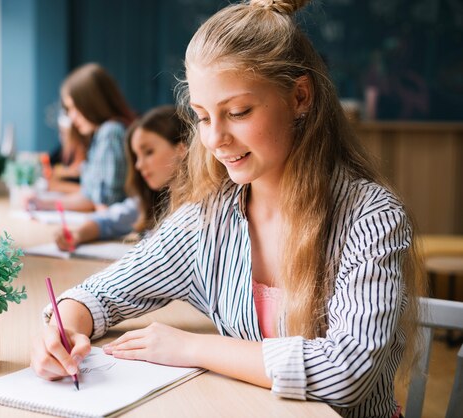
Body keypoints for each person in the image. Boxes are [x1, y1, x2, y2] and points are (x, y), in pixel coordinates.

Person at [30, 2, 425, 417]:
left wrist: (194, 347)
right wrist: (60, 329)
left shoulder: (370, 217)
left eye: (237, 112)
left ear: (300, 97)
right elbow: (101, 294)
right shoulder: (209, 220)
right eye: (202, 117)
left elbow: (348, 373)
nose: (215, 138)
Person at [54, 105, 188, 251]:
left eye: (149, 152)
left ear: (181, 149)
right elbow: (111, 220)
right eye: (136, 156)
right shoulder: (154, 200)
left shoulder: (197, 210)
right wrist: (77, 233)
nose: (138, 165)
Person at [27, 63, 135, 211]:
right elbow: (90, 196)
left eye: (74, 108)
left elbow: (105, 203)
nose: (71, 116)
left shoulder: (110, 133)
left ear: (92, 103)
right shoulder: (102, 133)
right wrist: (42, 204)